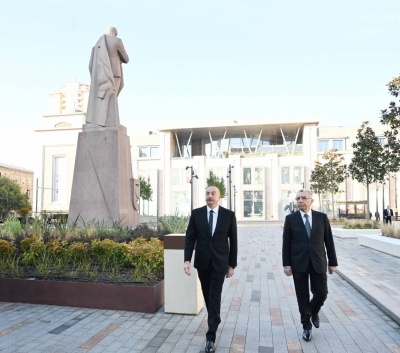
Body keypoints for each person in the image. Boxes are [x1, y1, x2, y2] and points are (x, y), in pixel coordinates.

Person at [184, 186, 238, 352]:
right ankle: (215, 318)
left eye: (213, 193)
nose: (209, 196)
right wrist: (187, 260)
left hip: (220, 263)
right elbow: (190, 237)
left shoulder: (228, 215)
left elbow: (234, 241)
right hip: (202, 262)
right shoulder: (197, 213)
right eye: (207, 193)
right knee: (208, 294)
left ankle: (211, 335)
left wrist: (232, 265)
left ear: (219, 196)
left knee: (215, 294)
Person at [282, 189, 338, 342]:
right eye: (298, 198)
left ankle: (313, 312)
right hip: (298, 263)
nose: (300, 200)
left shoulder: (322, 217)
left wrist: (333, 262)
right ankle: (306, 326)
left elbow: (329, 241)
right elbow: (286, 244)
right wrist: (286, 264)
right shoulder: (291, 219)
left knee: (321, 293)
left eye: (304, 198)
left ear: (311, 201)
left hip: (318, 261)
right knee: (302, 296)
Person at [86, 26, 129, 127]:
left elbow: (90, 65)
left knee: (104, 96)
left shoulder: (98, 44)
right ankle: (110, 123)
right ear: (115, 33)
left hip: (101, 74)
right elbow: (126, 59)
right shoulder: (117, 41)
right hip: (114, 72)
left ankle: (101, 121)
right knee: (112, 96)